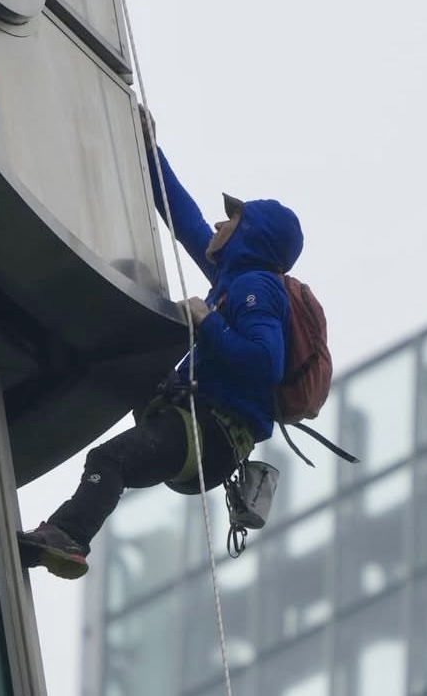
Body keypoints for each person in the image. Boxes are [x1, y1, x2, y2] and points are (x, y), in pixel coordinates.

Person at [17, 108, 304, 579]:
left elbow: (264, 362)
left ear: (252, 235)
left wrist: (208, 322)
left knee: (109, 459)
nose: (218, 224)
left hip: (209, 432)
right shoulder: (234, 276)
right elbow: (184, 219)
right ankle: (44, 542)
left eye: (232, 220)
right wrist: (150, 151)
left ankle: (68, 537)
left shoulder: (257, 287)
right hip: (199, 426)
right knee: (130, 352)